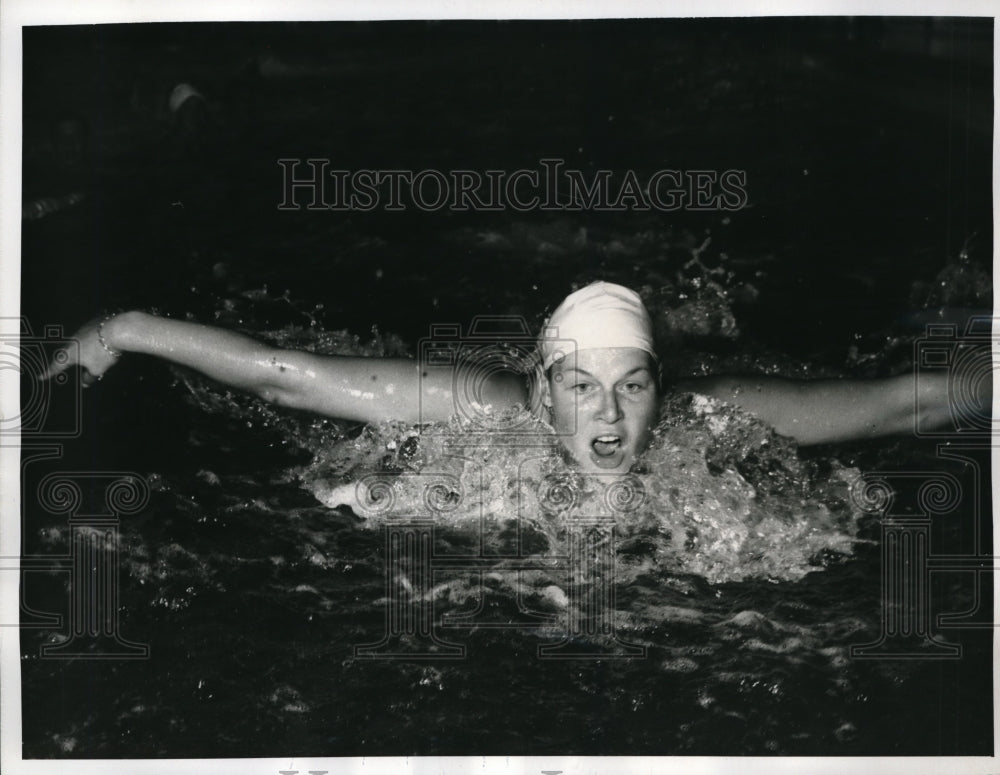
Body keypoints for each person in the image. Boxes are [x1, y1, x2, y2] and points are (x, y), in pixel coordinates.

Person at [42, 281, 965, 474]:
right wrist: (125, 327)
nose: (608, 415)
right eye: (580, 387)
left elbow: (908, 400)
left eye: (632, 387)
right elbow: (288, 377)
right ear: (539, 387)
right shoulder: (484, 410)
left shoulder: (709, 419)